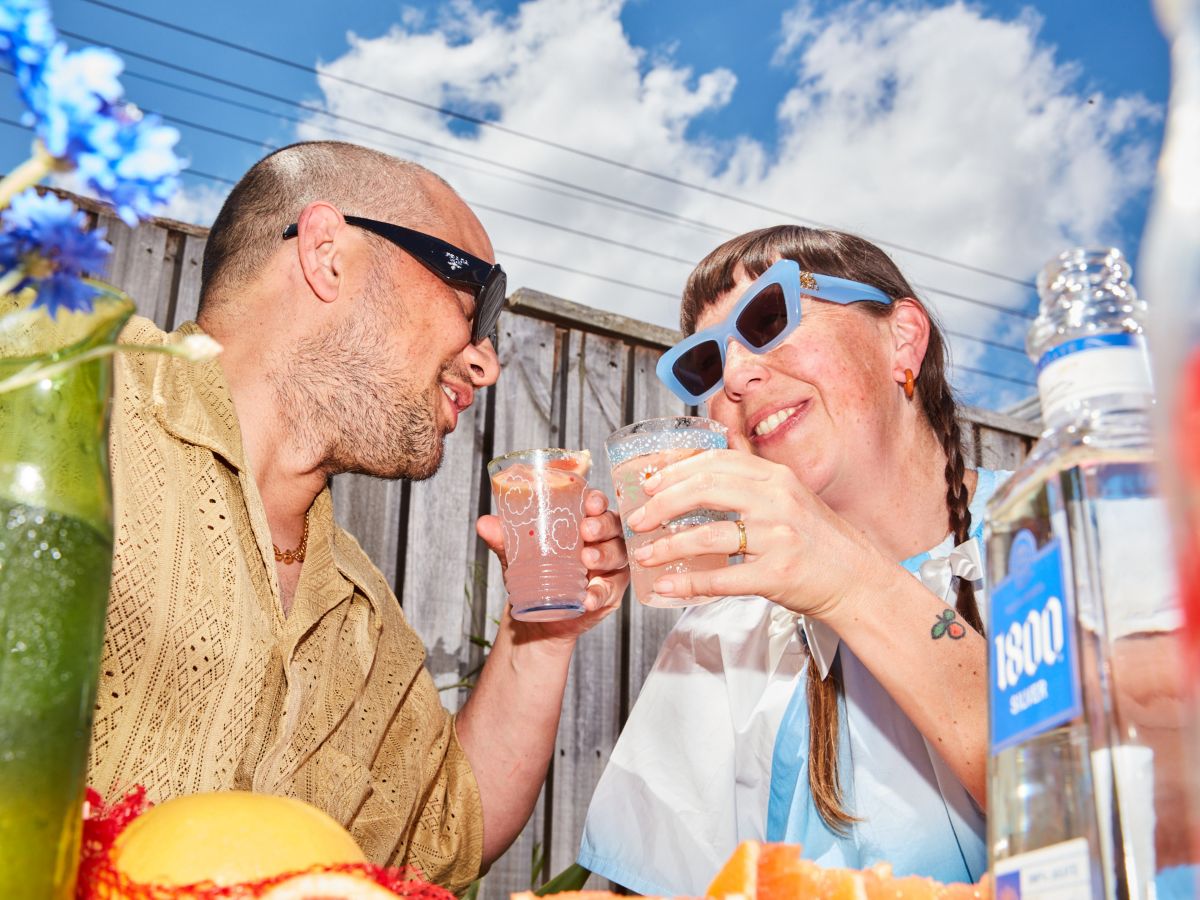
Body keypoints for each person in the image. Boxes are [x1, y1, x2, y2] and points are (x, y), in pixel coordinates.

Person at [86, 141, 629, 892]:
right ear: (328, 254)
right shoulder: (68, 398)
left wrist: (541, 637)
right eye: (475, 298)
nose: (486, 360)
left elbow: (445, 836)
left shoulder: (362, 613)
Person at [579, 225, 1004, 894]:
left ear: (903, 339)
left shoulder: (1069, 526)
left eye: (770, 316)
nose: (739, 375)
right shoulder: (725, 625)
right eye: (706, 367)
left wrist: (848, 581)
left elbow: (1136, 809)